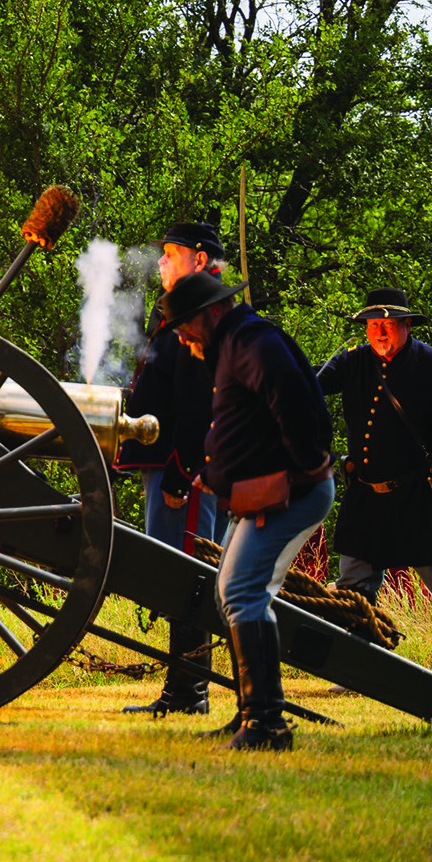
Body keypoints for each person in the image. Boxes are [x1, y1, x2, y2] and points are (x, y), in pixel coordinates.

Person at [160, 272, 334, 751]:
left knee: (241, 589)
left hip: (289, 494)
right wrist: (216, 472)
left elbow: (294, 401)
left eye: (184, 326)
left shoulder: (251, 341)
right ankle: (250, 715)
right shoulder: (231, 344)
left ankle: (266, 725)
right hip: (261, 495)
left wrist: (302, 466)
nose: (181, 336)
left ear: (211, 313)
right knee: (229, 590)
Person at [315, 288, 432, 688]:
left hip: (421, 497)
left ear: (406, 326)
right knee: (354, 587)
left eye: (388, 325)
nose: (379, 332)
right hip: (366, 495)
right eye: (373, 325)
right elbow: (308, 386)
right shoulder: (352, 363)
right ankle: (356, 669)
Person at [114, 222, 229, 717]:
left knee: (189, 577)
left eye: (171, 253)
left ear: (200, 261)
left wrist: (183, 474)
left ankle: (188, 693)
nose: (160, 262)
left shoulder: (202, 318)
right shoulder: (182, 314)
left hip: (184, 471)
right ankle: (183, 689)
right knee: (178, 575)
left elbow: (199, 407)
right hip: (169, 467)